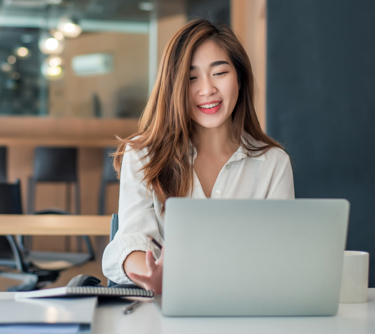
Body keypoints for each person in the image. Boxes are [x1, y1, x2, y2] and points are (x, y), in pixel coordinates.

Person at [102, 19, 294, 294]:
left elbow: (282, 254)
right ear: (174, 86)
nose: (207, 90)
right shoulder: (144, 155)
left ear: (240, 78)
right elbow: (133, 240)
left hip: (246, 308)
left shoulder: (273, 163)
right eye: (191, 78)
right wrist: (155, 275)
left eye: (219, 73)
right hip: (165, 311)